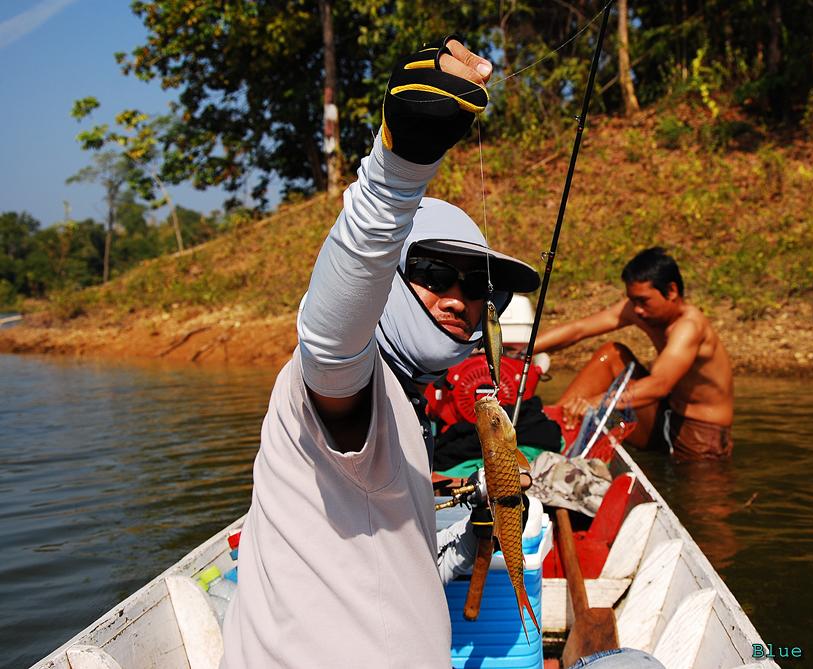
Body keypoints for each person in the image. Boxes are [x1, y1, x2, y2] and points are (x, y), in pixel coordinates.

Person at [220, 37, 541, 668]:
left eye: (479, 286)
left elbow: (389, 556)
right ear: (387, 276)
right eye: (431, 272)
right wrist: (398, 173)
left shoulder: (405, 395)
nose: (460, 298)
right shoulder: (343, 384)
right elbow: (330, 335)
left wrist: (472, 522)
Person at [534, 247, 734, 461]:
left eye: (643, 300)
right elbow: (579, 329)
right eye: (633, 300)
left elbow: (659, 384)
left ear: (672, 291)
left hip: (700, 437)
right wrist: (521, 349)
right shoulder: (643, 310)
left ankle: (560, 432)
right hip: (664, 416)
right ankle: (553, 432)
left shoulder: (690, 326)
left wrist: (597, 402)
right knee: (611, 354)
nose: (637, 309)